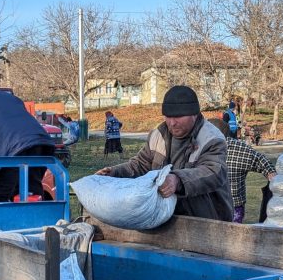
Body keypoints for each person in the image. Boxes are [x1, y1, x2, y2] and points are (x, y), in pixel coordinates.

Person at [96, 85, 233, 221]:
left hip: (207, 221)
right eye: (168, 116)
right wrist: (114, 172)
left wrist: (177, 180)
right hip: (166, 218)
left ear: (194, 114)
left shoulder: (211, 138)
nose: (172, 123)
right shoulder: (158, 135)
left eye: (178, 116)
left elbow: (213, 172)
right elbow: (141, 165)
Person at [210, 118, 276, 223]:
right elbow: (265, 164)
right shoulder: (241, 148)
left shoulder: (199, 146)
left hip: (224, 206)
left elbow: (265, 164)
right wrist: (273, 177)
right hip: (231, 206)